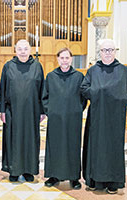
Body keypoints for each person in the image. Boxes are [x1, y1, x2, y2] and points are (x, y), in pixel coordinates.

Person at [81, 39, 127, 194]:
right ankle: (94, 180)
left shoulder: (124, 71)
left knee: (114, 147)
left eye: (111, 50)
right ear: (100, 52)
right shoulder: (93, 70)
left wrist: (121, 100)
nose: (108, 53)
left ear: (115, 51)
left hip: (116, 117)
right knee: (96, 145)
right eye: (105, 50)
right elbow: (84, 88)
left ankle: (113, 181)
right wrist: (98, 93)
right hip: (97, 115)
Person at [0, 39, 45, 182]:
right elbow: (2, 89)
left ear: (30, 50)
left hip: (32, 110)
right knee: (13, 139)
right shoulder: (8, 66)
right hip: (12, 110)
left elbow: (42, 90)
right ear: (15, 50)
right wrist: (2, 110)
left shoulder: (37, 66)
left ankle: (29, 170)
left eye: (25, 49)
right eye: (20, 49)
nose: (23, 51)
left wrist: (43, 111)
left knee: (30, 139)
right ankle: (14, 170)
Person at [42, 48, 87, 189]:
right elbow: (45, 97)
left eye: (67, 57)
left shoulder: (79, 76)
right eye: (62, 57)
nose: (64, 60)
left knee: (72, 146)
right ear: (58, 59)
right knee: (54, 145)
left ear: (71, 59)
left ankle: (73, 177)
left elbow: (84, 98)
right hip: (55, 118)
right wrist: (51, 111)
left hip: (73, 117)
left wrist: (77, 109)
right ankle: (53, 175)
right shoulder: (51, 76)